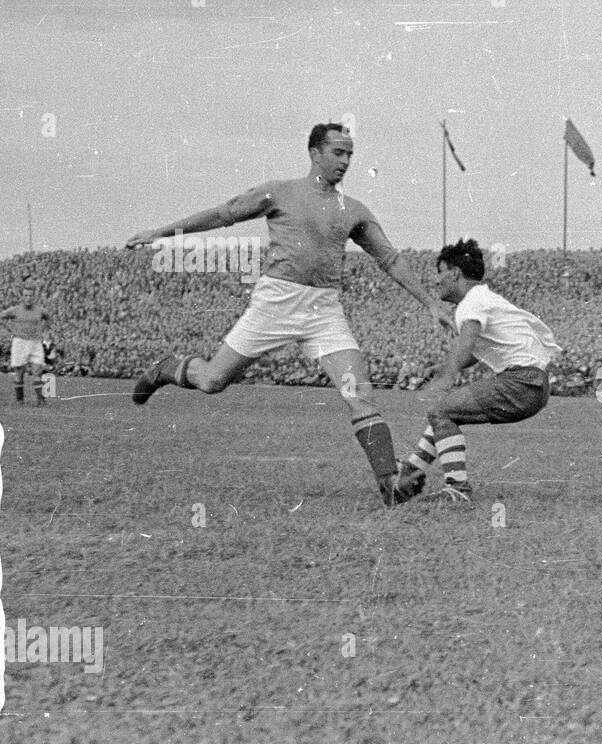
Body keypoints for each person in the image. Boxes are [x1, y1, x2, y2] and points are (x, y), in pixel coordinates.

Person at [124, 122, 452, 505]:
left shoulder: (354, 210)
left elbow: (389, 259)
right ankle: (167, 367)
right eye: (337, 153)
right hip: (276, 302)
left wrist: (429, 303)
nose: (345, 161)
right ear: (314, 153)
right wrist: (162, 233)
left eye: (349, 154)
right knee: (213, 381)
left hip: (323, 310)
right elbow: (222, 214)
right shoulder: (279, 192)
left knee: (358, 392)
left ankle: (390, 486)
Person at [393, 239, 560, 504]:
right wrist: (442, 368)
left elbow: (466, 340)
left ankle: (456, 489)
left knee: (441, 411)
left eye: (440, 272)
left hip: (521, 382)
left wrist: (447, 376)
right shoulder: (483, 298)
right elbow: (474, 351)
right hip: (533, 384)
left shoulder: (470, 303)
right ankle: (412, 473)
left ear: (455, 273)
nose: (437, 280)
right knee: (446, 412)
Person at [1, 283, 52, 406]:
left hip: (35, 343)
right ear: (22, 297)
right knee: (19, 373)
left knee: (38, 371)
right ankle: (20, 401)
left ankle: (40, 400)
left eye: (30, 295)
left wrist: (43, 330)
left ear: (34, 297)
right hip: (20, 342)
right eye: (26, 295)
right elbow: (2, 317)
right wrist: (10, 330)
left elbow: (48, 317)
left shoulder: (39, 310)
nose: (28, 298)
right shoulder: (15, 310)